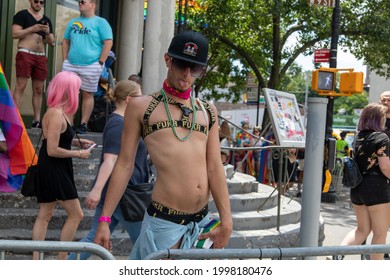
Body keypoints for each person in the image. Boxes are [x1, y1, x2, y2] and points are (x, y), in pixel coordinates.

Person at [94, 30, 232, 260]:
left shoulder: (208, 111)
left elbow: (215, 167)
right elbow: (124, 165)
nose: (187, 74)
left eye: (195, 68)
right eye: (181, 64)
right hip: (164, 224)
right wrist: (104, 219)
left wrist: (227, 221)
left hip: (203, 223)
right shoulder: (141, 107)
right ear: (168, 59)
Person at [68, 80, 148, 260]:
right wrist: (96, 191)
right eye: (139, 96)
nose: (143, 100)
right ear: (129, 100)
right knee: (145, 246)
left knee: (94, 240)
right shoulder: (118, 124)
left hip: (125, 193)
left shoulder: (124, 123)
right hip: (125, 194)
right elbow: (110, 160)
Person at [31, 71, 95, 260]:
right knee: (76, 214)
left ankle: (38, 260)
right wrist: (78, 153)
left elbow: (58, 139)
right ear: (68, 90)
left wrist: (76, 142)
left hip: (56, 165)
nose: (78, 92)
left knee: (45, 214)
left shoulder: (61, 113)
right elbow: (51, 149)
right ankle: (62, 259)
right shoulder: (56, 113)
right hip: (53, 166)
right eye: (76, 89)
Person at [338, 103, 390, 260]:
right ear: (377, 119)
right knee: (380, 233)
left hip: (358, 188)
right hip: (377, 189)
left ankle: (335, 255)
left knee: (362, 230)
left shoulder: (358, 137)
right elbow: (385, 167)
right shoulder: (381, 137)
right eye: (383, 117)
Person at [62, 0, 113, 134]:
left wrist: (100, 63)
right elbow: (65, 40)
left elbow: (108, 42)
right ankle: (69, 123)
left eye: (83, 2)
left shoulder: (101, 22)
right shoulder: (73, 22)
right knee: (69, 94)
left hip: (91, 64)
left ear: (92, 4)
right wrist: (65, 60)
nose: (80, 3)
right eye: (79, 2)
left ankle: (83, 124)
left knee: (87, 94)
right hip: (71, 64)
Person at [12, 0, 55, 128]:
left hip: (40, 56)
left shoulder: (46, 19)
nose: (39, 4)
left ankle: (36, 120)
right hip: (25, 53)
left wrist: (47, 32)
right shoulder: (22, 15)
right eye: (36, 1)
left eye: (42, 2)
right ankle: (15, 119)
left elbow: (51, 42)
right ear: (30, 1)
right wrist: (33, 28)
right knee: (21, 86)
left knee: (38, 89)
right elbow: (15, 33)